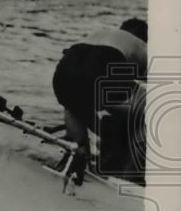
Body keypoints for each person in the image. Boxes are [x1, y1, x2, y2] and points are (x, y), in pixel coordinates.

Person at [52, 18, 147, 179]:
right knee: (148, 116)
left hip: (66, 68)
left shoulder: (100, 33)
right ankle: (128, 178)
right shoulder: (142, 46)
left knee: (73, 103)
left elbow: (73, 61)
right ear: (145, 38)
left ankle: (79, 153)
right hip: (103, 64)